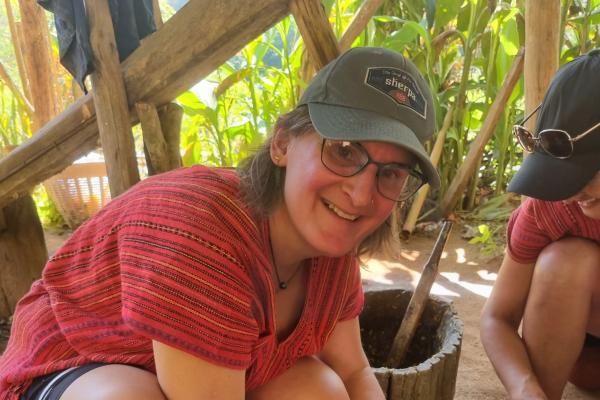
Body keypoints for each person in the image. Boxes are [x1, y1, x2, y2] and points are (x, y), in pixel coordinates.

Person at [0, 47, 440, 400]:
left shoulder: (330, 254)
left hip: (204, 376)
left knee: (318, 388)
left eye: (390, 173)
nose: (362, 195)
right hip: (71, 368)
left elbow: (355, 371)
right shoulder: (203, 235)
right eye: (344, 150)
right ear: (284, 142)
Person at [481, 49, 600, 400]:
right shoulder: (550, 209)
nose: (566, 195)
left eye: (581, 176)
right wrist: (524, 386)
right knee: (564, 261)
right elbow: (496, 318)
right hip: (589, 361)